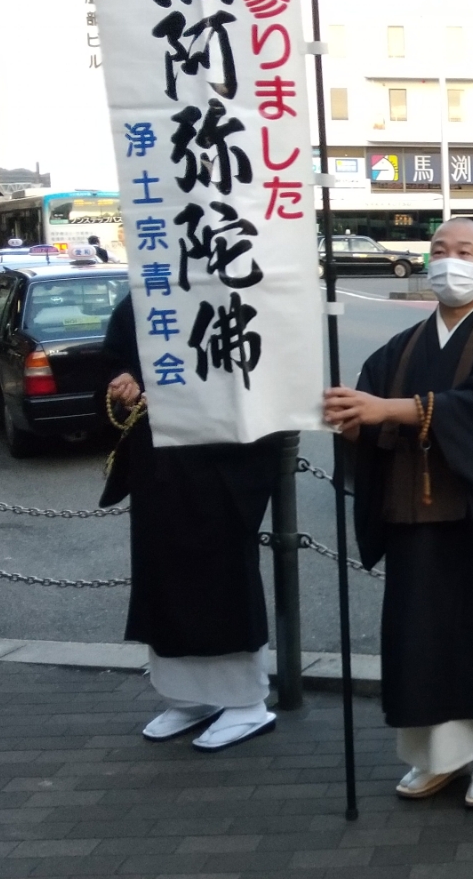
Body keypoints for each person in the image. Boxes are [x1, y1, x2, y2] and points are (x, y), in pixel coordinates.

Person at [323, 218, 473, 808]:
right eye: (440, 250)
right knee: (418, 639)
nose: (451, 261)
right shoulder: (400, 349)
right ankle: (431, 757)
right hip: (413, 523)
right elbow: (369, 416)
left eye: (464, 251)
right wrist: (351, 421)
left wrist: (392, 409)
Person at [102, 296, 282, 752]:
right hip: (159, 465)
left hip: (222, 465)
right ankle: (187, 696)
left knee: (220, 582)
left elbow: (267, 372)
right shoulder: (146, 293)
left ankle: (245, 702)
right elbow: (116, 360)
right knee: (164, 580)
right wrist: (125, 381)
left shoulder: (238, 290)